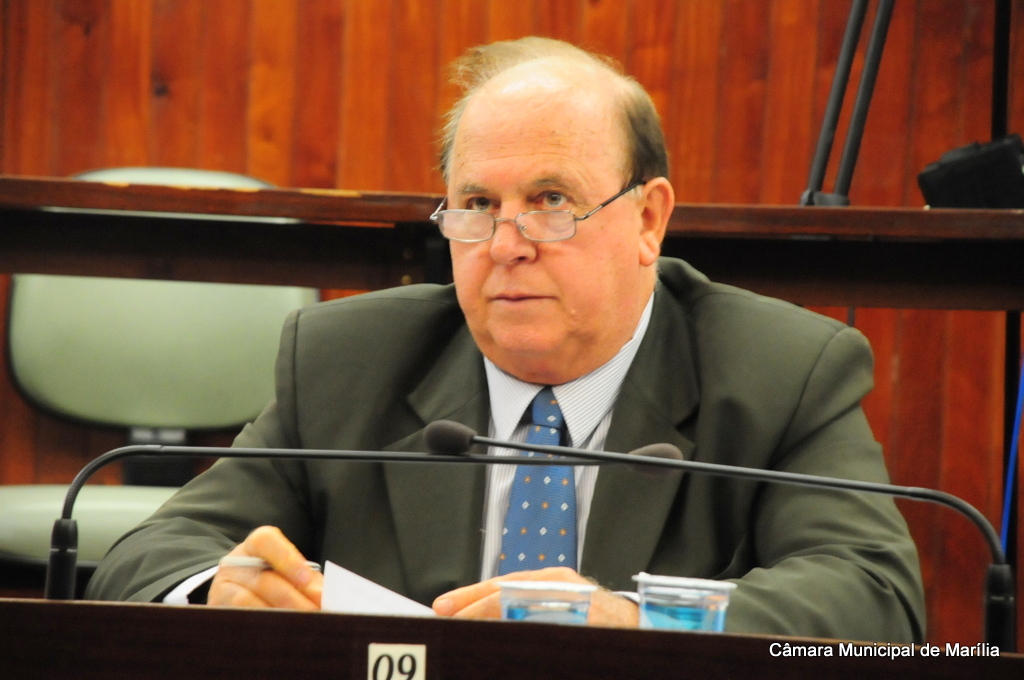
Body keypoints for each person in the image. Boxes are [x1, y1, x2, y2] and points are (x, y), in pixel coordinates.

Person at [86, 36, 925, 642]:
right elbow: (152, 554)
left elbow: (875, 600)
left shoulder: (781, 369)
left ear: (648, 220)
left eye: (552, 201)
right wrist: (220, 590)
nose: (506, 243)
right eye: (478, 205)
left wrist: (637, 622)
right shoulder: (348, 361)